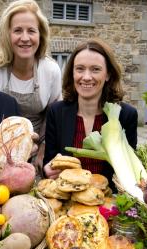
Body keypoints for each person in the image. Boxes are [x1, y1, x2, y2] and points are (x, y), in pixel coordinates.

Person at [43, 38, 138, 190]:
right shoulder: (56, 112)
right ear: (72, 73)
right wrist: (48, 169)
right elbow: (49, 162)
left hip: (111, 203)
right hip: (69, 202)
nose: (86, 77)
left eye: (95, 69)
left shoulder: (125, 115)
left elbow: (130, 170)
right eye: (80, 69)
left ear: (108, 75)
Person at [0, 0, 62, 173]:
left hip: (40, 148)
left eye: (31, 31)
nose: (25, 38)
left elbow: (52, 117)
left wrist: (42, 151)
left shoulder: (50, 70)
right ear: (8, 35)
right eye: (18, 30)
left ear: (40, 35)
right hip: (2, 151)